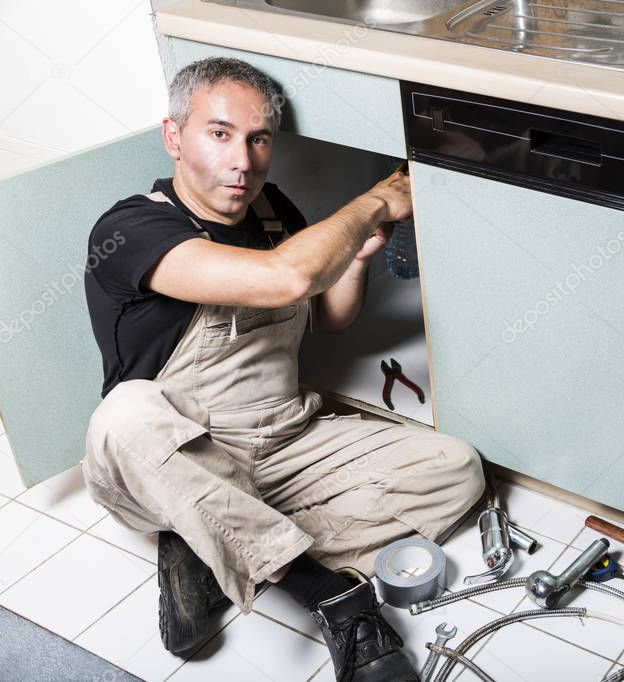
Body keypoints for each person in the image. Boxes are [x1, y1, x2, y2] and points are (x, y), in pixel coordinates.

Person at [80, 57, 485, 682]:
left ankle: (211, 545)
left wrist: (357, 255)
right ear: (173, 137)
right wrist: (374, 201)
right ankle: (329, 596)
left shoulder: (274, 214)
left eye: (258, 138)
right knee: (123, 415)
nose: (243, 160)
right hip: (172, 458)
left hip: (283, 440)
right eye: (219, 134)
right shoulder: (133, 227)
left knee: (455, 470)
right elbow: (286, 278)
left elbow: (329, 318)